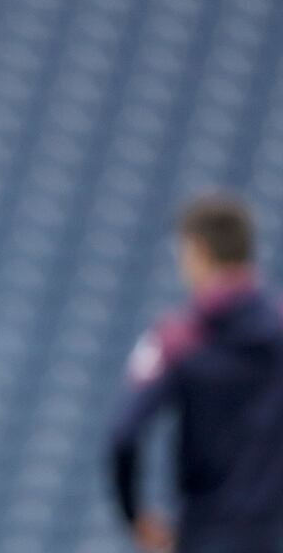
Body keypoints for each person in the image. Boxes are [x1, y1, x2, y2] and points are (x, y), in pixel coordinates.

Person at [110, 194, 283, 553]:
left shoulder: (177, 338)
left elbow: (124, 435)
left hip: (206, 533)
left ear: (197, 251)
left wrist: (135, 517)